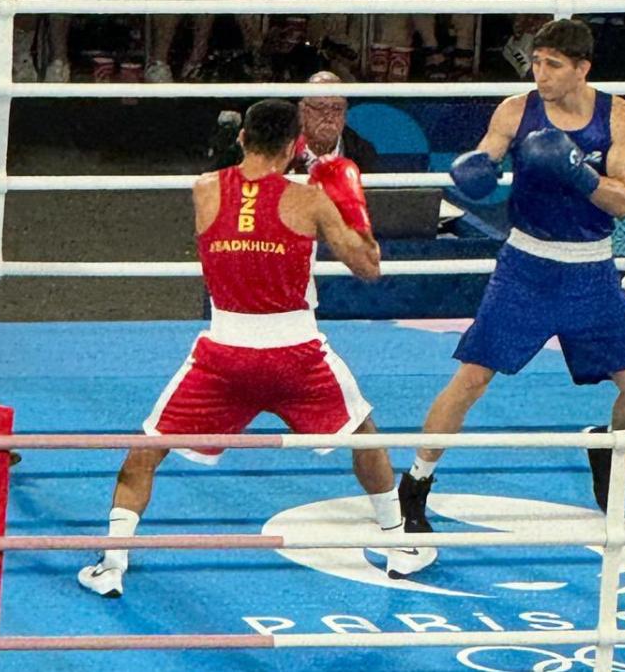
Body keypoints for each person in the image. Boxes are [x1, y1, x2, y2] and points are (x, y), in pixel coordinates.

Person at [77, 99, 435, 598]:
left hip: (223, 352)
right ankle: (400, 545)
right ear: (295, 147)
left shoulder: (203, 190)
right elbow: (369, 268)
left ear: (243, 137)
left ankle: (112, 561)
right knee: (365, 437)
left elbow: (240, 197)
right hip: (296, 352)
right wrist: (352, 205)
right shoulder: (310, 198)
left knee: (146, 450)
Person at [397, 18, 625, 528]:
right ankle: (416, 483)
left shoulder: (624, 117)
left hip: (592, 272)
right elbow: (486, 156)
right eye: (536, 62)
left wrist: (577, 170)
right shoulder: (516, 110)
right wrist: (475, 167)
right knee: (471, 379)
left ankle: (604, 445)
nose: (540, 74)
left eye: (554, 65)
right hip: (526, 268)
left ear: (583, 68)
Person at [210, 71, 379, 175]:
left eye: (337, 108)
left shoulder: (362, 153)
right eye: (319, 107)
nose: (328, 116)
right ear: (302, 110)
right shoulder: (273, 141)